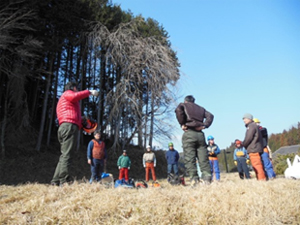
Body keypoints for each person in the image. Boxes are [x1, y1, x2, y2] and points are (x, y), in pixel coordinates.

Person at [51, 81, 99, 186]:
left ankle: (55, 181)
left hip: (66, 126)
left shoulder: (64, 100)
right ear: (73, 88)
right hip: (69, 126)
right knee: (67, 155)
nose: (77, 90)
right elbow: (74, 97)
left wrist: (81, 122)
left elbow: (70, 114)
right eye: (76, 88)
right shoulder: (67, 93)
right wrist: (89, 92)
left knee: (64, 155)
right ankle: (64, 181)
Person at [175, 95, 214, 185]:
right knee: (203, 158)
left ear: (185, 101)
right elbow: (210, 116)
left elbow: (178, 110)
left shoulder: (183, 105)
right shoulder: (200, 108)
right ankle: (207, 178)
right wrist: (204, 125)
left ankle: (194, 180)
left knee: (190, 158)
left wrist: (182, 123)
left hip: (189, 132)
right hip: (200, 134)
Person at [242, 113, 266, 181]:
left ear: (249, 119)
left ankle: (261, 179)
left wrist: (244, 144)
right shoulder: (255, 126)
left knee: (257, 165)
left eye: (245, 118)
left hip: (253, 149)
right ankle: (261, 178)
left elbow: (248, 138)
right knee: (258, 165)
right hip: (256, 148)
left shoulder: (251, 126)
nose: (244, 120)